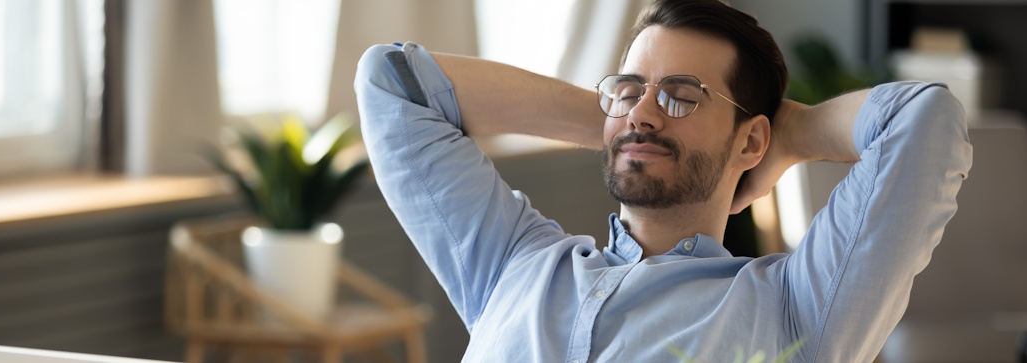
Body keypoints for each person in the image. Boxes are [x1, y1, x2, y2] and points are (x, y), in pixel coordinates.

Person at [354, 0, 972, 361]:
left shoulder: (795, 309)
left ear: (750, 139)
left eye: (682, 96)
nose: (644, 110)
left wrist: (788, 136)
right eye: (626, 90)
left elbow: (924, 121)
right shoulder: (513, 262)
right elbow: (392, 81)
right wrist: (625, 125)